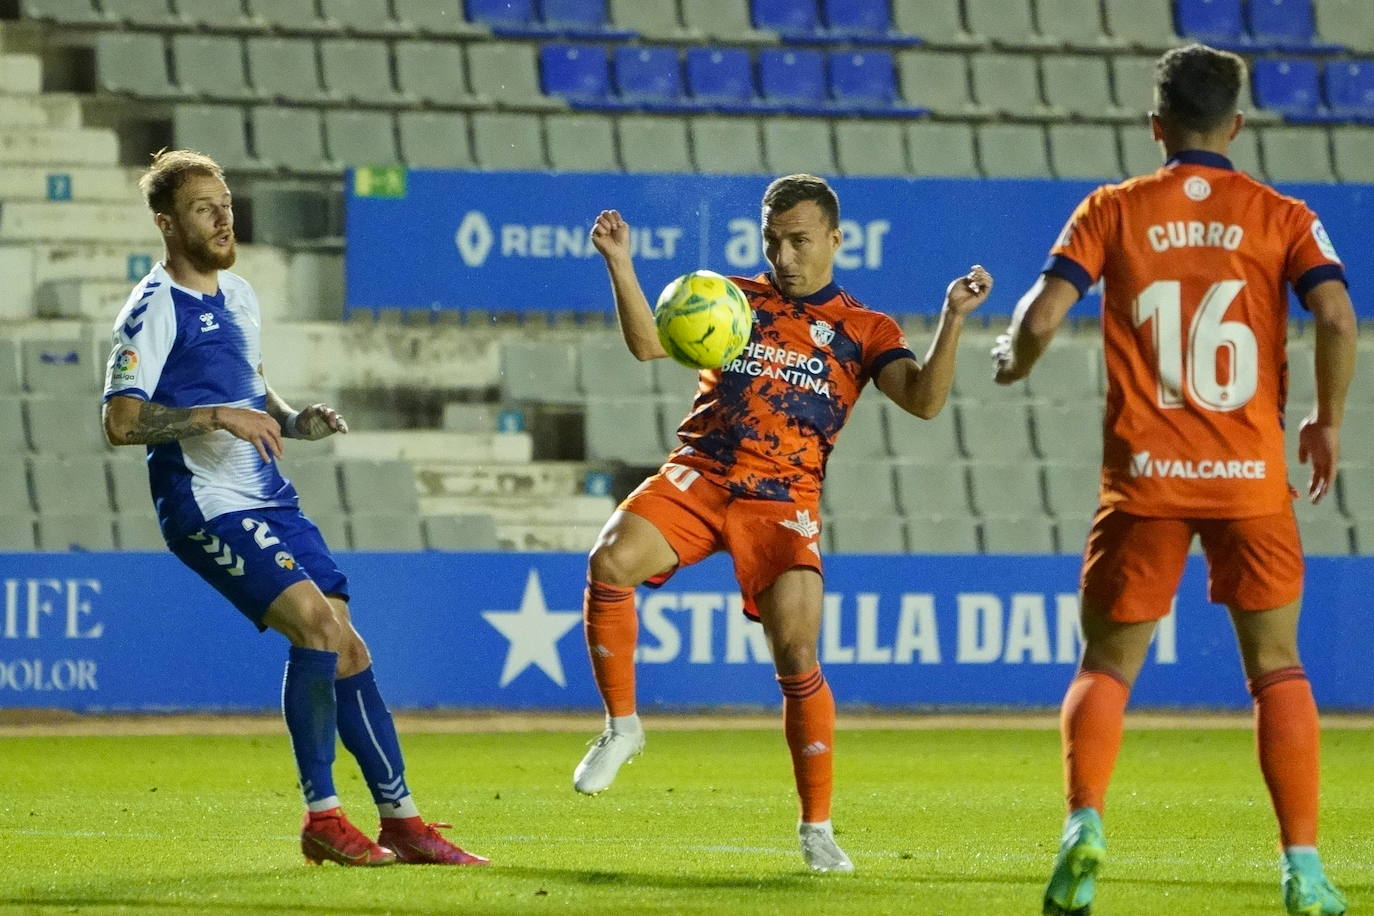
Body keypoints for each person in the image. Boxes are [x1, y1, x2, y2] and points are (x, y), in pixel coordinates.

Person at [992, 45, 1353, 916]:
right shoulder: (1282, 215)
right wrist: (1326, 420)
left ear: (1156, 126)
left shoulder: (1114, 209)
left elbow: (1041, 313)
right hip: (1247, 481)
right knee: (1276, 669)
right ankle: (1302, 868)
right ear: (1235, 124)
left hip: (1145, 479)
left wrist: (1014, 355)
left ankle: (1084, 825)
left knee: (1108, 666)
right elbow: (1336, 313)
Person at [576, 173, 992, 873]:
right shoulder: (731, 298)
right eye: (774, 242)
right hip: (703, 474)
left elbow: (922, 401)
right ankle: (621, 728)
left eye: (799, 242)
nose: (785, 257)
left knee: (798, 658)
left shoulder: (866, 330)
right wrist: (621, 264)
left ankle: (817, 828)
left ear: (835, 238)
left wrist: (952, 318)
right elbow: (650, 344)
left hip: (784, 499)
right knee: (609, 561)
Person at [101, 149, 488, 868]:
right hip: (206, 505)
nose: (223, 219)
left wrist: (292, 416)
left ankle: (401, 820)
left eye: (226, 205)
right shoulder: (152, 309)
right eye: (203, 209)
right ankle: (322, 816)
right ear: (166, 223)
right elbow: (121, 423)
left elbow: (251, 386)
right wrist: (216, 417)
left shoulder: (240, 296)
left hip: (268, 497)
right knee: (314, 626)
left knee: (347, 646)